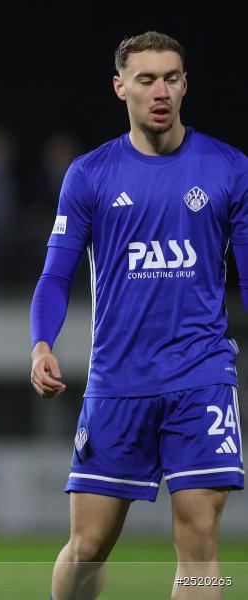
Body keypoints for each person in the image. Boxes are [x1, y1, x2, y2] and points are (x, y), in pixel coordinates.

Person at [30, 31, 246, 600]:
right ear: (120, 87)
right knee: (88, 548)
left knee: (200, 540)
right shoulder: (90, 174)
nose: (160, 91)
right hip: (118, 382)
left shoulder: (229, 168)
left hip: (201, 375)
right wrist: (42, 344)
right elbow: (56, 277)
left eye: (171, 78)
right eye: (146, 79)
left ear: (185, 85)